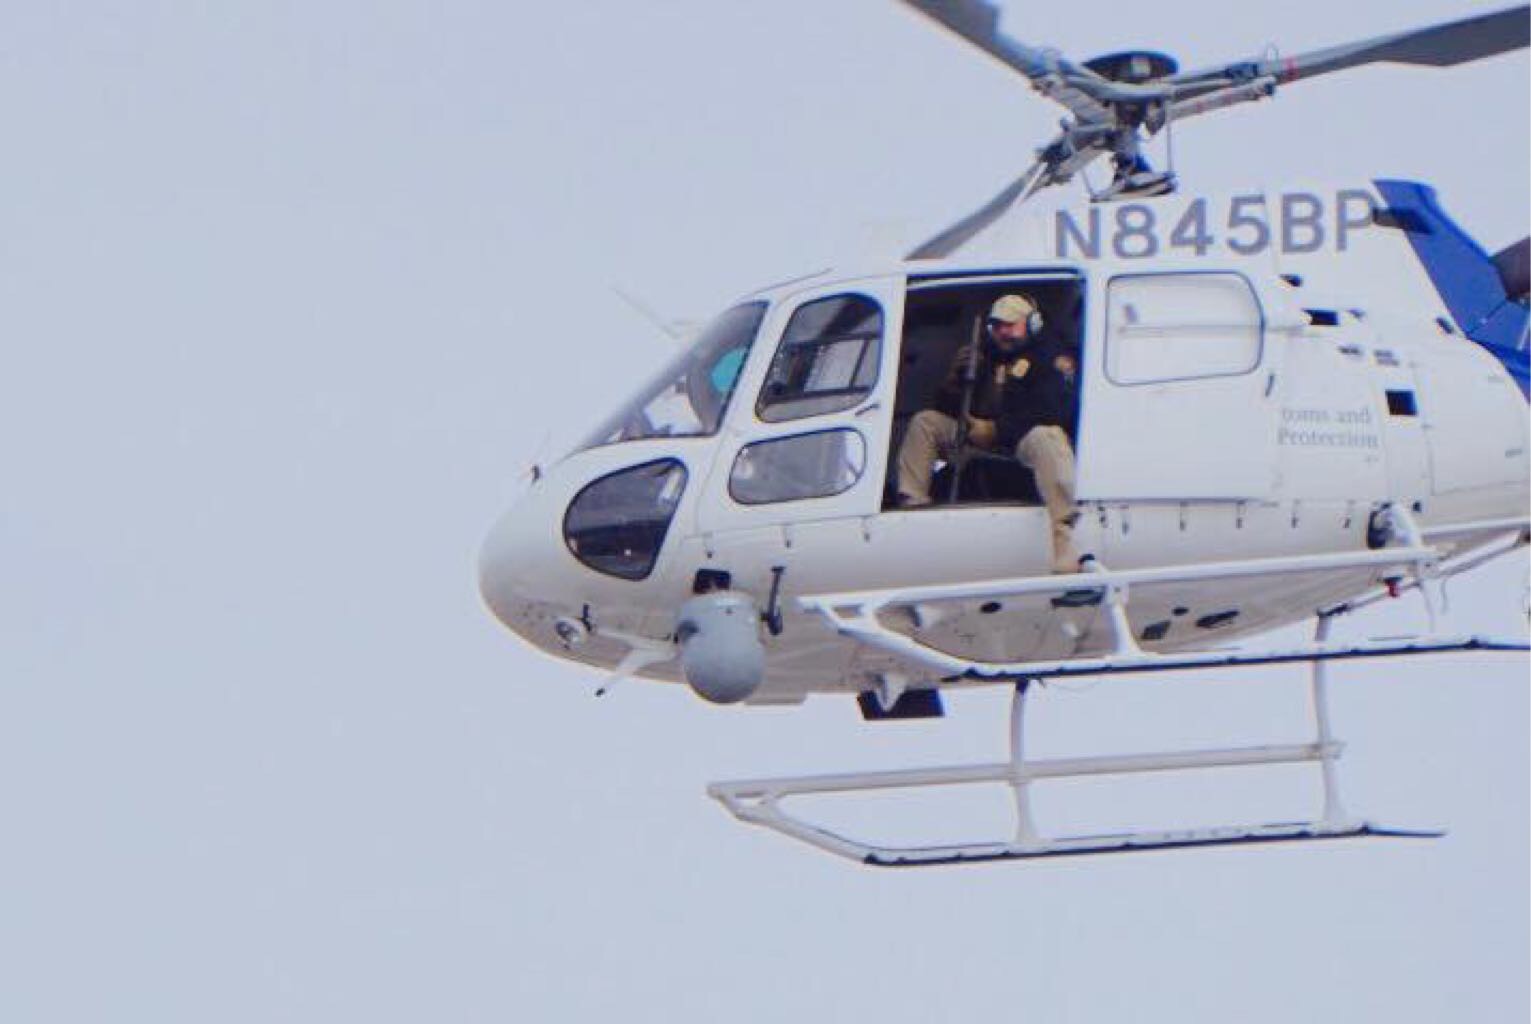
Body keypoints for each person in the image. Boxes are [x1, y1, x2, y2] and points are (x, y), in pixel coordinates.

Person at [895, 293, 1083, 573]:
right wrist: (954, 382)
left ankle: (1064, 544)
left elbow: (1053, 410)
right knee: (926, 422)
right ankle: (912, 509)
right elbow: (953, 408)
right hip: (981, 438)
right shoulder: (983, 354)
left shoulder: (1051, 357)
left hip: (1024, 441)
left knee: (1048, 437)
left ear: (1031, 324)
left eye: (1011, 325)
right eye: (997, 325)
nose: (1003, 332)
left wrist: (997, 430)